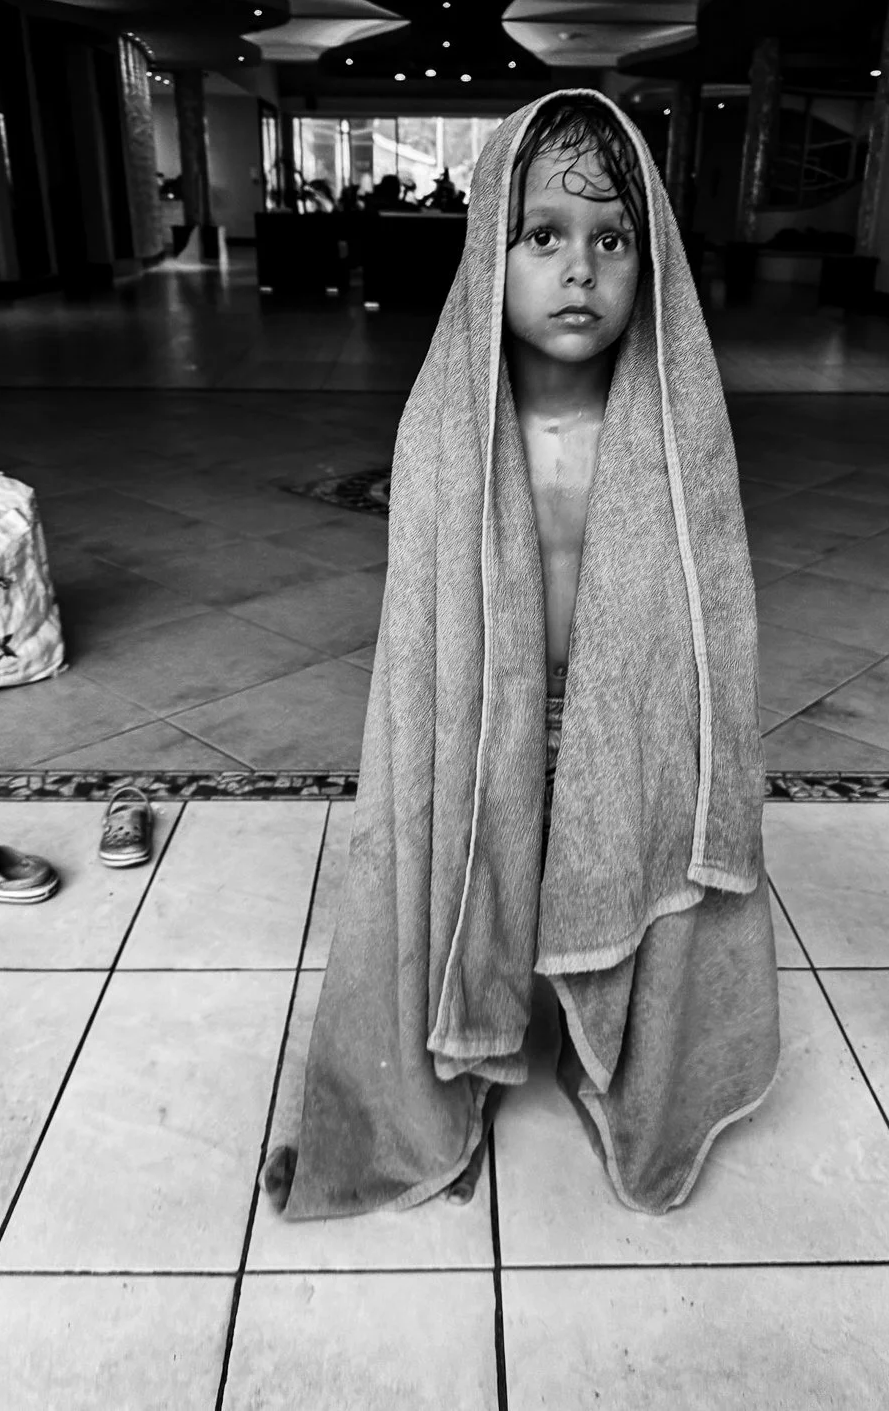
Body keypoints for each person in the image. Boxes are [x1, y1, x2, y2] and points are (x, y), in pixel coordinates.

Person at [263, 90, 780, 1221]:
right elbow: (421, 641)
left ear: (652, 265)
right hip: (480, 718)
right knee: (463, 886)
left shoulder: (678, 442)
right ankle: (442, 1073)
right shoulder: (442, 434)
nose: (580, 270)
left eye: (611, 240)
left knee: (617, 873)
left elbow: (711, 628)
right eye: (542, 236)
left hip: (620, 718)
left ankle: (625, 1073)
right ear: (488, 247)